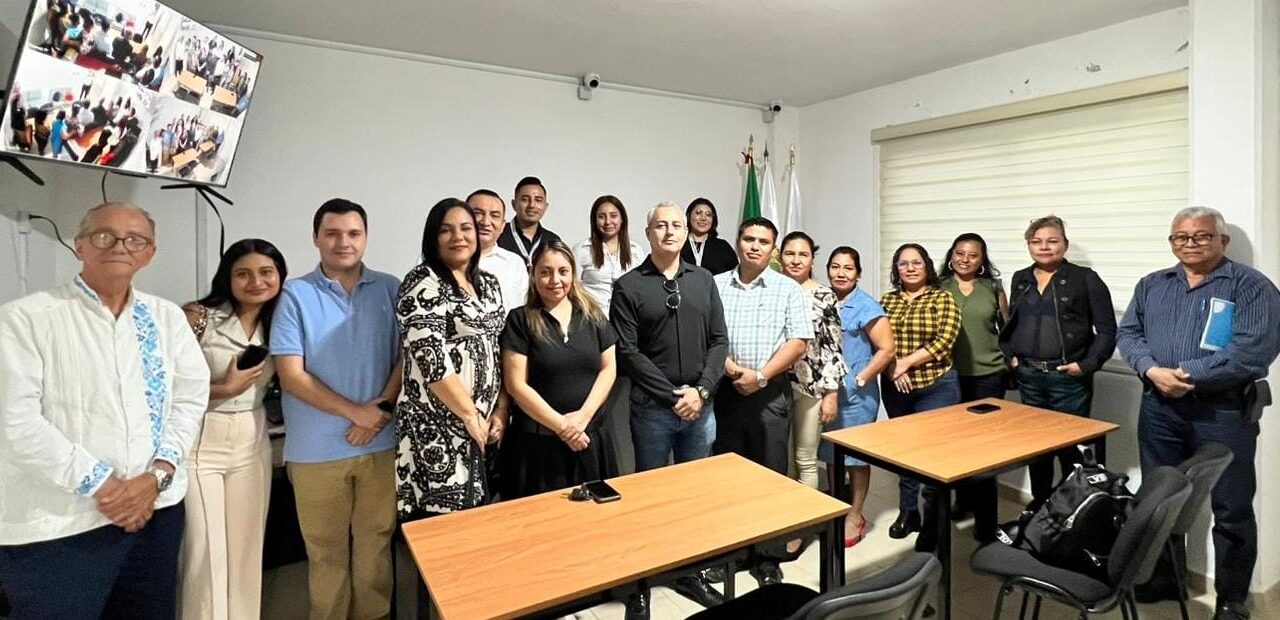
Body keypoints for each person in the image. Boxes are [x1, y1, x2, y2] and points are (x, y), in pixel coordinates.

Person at [0, 202, 209, 618]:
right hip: (59, 525)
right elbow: (16, 422)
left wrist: (157, 475)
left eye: (135, 239)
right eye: (104, 235)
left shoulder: (166, 318)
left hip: (155, 513)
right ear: (79, 245)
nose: (119, 246)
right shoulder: (25, 319)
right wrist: (104, 486)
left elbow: (190, 396)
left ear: (149, 253)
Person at [1117, 206, 1280, 620]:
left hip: (1222, 412)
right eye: (1180, 237)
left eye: (1201, 236)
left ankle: (1232, 598)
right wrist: (1152, 370)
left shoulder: (1252, 287)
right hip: (1159, 407)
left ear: (1222, 240)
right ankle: (1164, 577)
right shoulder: (1153, 284)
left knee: (1232, 506)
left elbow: (1252, 351)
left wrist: (1185, 374)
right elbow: (1129, 333)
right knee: (1160, 497)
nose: (1189, 243)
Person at [271, 198, 402, 620]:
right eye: (332, 233)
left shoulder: (390, 288)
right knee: (325, 554)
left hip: (380, 444)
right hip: (316, 452)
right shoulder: (295, 294)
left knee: (376, 547)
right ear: (316, 238)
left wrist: (377, 410)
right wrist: (355, 413)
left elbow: (407, 357)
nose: (343, 242)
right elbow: (292, 375)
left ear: (365, 238)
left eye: (353, 233)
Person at [611, 201, 729, 618]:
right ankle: (642, 582)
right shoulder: (628, 286)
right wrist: (672, 396)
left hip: (700, 405)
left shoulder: (704, 280)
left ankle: (690, 571)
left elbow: (719, 341)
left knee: (693, 494)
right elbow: (627, 352)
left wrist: (700, 391)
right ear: (648, 233)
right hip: (652, 409)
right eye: (660, 225)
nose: (669, 232)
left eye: (676, 225)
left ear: (686, 232)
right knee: (650, 494)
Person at [179, 239, 287, 620]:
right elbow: (161, 387)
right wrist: (223, 389)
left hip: (252, 436)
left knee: (245, 548)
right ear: (227, 277)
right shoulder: (196, 317)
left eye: (266, 272)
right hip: (200, 438)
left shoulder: (282, 321)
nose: (255, 281)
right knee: (206, 552)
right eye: (243, 273)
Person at [715, 217, 813, 585]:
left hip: (770, 390)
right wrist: (731, 369)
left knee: (772, 474)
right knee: (729, 475)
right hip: (727, 389)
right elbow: (711, 336)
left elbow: (799, 341)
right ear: (738, 242)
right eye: (749, 239)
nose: (755, 246)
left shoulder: (788, 289)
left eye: (763, 241)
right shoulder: (715, 284)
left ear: (773, 250)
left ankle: (768, 556)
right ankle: (733, 551)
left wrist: (760, 375)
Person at [395, 197, 505, 519]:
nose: (458, 237)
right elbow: (431, 357)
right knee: (444, 535)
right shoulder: (422, 282)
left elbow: (498, 349)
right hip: (437, 429)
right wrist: (470, 417)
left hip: (484, 427)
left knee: (483, 525)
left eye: (465, 228)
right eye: (446, 230)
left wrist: (500, 410)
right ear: (433, 237)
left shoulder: (488, 284)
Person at [999, 215, 1115, 510]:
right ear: (1028, 245)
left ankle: (1071, 510)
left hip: (1069, 379)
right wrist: (1010, 355)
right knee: (1036, 449)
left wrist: (1086, 366)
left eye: (1052, 241)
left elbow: (1106, 330)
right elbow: (1014, 321)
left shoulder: (1085, 278)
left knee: (1070, 450)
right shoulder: (1021, 277)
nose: (1044, 247)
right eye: (1036, 242)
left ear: (1065, 244)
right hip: (1029, 377)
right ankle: (1040, 507)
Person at [502, 240, 618, 497]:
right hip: (537, 447)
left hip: (589, 440)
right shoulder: (520, 320)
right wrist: (563, 427)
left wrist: (583, 418)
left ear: (573, 274)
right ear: (533, 275)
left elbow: (609, 368)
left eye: (563, 271)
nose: (555, 279)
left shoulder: (593, 315)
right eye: (545, 272)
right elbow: (515, 384)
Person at [879, 243, 960, 547]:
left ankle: (933, 521)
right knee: (904, 454)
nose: (910, 268)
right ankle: (908, 511)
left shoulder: (943, 298)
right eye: (903, 263)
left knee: (933, 455)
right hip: (896, 386)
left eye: (916, 262)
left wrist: (904, 363)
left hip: (937, 385)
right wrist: (890, 370)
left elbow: (945, 341)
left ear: (926, 266)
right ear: (896, 269)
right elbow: (877, 342)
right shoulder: (886, 301)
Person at [822, 246, 895, 547]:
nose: (841, 273)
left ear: (858, 273)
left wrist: (861, 378)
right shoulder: (822, 300)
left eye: (848, 268)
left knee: (854, 457)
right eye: (835, 267)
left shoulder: (866, 306)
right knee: (829, 454)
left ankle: (855, 514)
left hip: (856, 396)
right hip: (827, 392)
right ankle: (835, 507)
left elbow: (886, 349)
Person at [938, 232, 1008, 542]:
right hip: (949, 376)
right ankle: (962, 502)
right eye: (960, 253)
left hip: (989, 376)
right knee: (955, 446)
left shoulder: (993, 288)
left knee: (986, 451)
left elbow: (1007, 328)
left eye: (973, 255)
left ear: (982, 261)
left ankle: (986, 520)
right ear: (951, 255)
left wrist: (1013, 360)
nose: (965, 259)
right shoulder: (938, 287)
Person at [778, 232, 846, 490]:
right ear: (780, 257)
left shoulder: (824, 296)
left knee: (805, 460)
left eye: (803, 255)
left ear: (812, 259)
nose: (796, 260)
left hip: (811, 387)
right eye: (790, 253)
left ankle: (805, 528)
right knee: (780, 461)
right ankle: (784, 523)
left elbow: (834, 348)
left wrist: (831, 393)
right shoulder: (773, 288)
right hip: (774, 385)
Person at [575, 195, 645, 315]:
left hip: (627, 319)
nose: (608, 222)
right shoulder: (582, 250)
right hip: (593, 319)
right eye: (601, 217)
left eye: (613, 216)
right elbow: (573, 288)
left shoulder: (636, 251)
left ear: (622, 218)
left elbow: (642, 288)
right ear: (594, 220)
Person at [466, 189, 529, 312]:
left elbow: (523, 314)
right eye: (478, 213)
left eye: (494, 216)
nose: (485, 222)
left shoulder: (514, 263)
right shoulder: (438, 258)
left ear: (502, 226)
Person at [497, 176, 561, 266]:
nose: (531, 205)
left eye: (538, 200)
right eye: (525, 199)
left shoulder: (553, 240)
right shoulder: (498, 235)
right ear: (514, 204)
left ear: (545, 206)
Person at [681, 197, 738, 275]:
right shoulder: (678, 244)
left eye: (708, 215)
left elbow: (733, 275)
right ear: (689, 216)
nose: (703, 218)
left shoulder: (723, 247)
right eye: (698, 213)